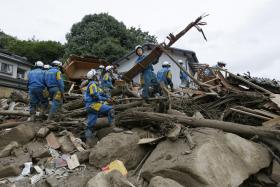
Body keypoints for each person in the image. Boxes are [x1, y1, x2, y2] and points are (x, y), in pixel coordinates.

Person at [84, 69, 114, 142]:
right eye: (96, 75)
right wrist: (106, 100)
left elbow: (101, 93)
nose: (98, 76)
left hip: (89, 106)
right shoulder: (92, 84)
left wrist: (108, 97)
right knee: (111, 109)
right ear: (94, 77)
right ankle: (113, 127)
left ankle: (88, 139)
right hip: (93, 105)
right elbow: (95, 95)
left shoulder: (95, 84)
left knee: (90, 124)